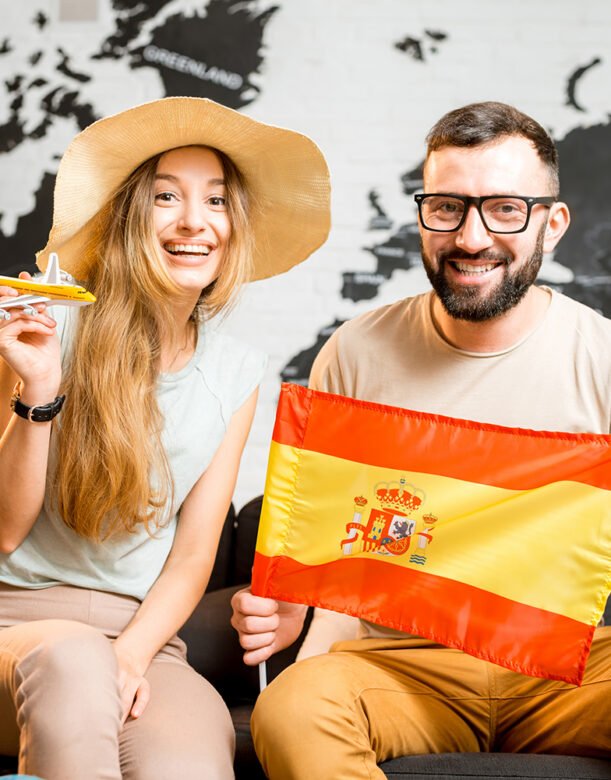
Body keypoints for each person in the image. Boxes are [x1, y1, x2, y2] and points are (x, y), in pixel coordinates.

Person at [231, 101, 611, 778]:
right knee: (291, 709)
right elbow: (343, 560)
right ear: (421, 215)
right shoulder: (354, 354)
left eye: (503, 209)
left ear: (551, 225)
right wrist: (297, 636)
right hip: (403, 669)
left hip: (572, 666)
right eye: (446, 207)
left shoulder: (601, 357)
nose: (470, 237)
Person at [0, 96, 330, 780]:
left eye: (214, 201)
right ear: (129, 218)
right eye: (164, 198)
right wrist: (35, 388)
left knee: (187, 761)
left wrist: (126, 656)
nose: (192, 223)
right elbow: (2, 533)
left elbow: (191, 555)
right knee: (72, 660)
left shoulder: (236, 371)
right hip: (17, 627)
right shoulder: (45, 329)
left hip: (142, 639)